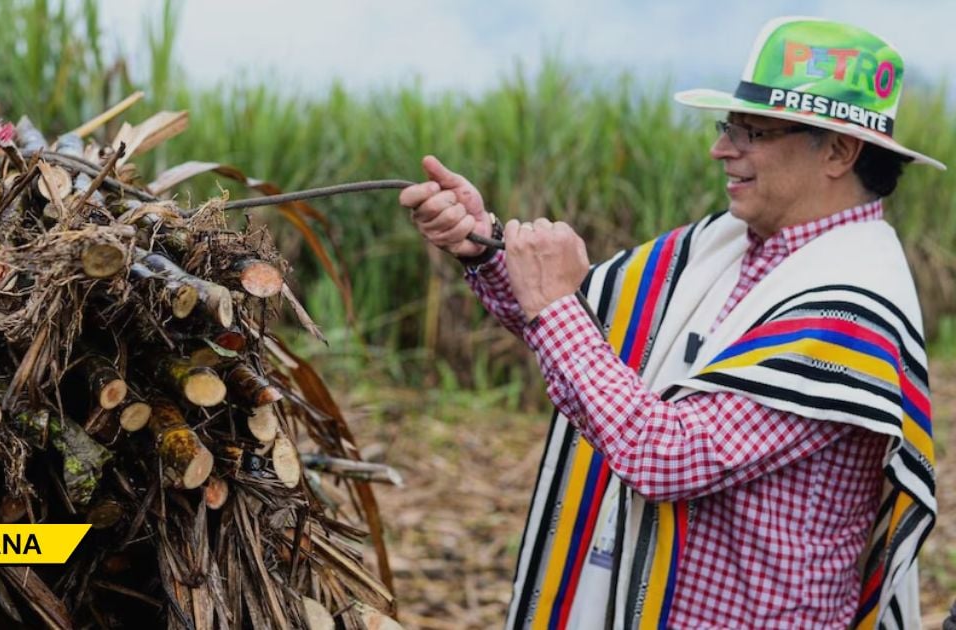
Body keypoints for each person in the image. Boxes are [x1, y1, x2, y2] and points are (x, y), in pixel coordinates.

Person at [400, 16, 941, 630]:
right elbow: (592, 342)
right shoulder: (732, 246)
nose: (722, 148)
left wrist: (552, 302)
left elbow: (665, 455)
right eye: (727, 126)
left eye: (752, 131)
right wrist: (488, 249)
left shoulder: (850, 307)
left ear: (839, 152)